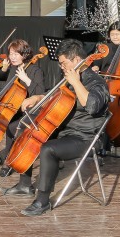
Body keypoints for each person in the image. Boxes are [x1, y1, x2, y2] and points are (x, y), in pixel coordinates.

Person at [16, 39, 110, 217]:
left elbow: (92, 106)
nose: (61, 67)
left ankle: (42, 201)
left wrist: (76, 82)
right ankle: (24, 184)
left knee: (48, 149)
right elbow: (55, 94)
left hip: (87, 137)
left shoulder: (97, 82)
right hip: (66, 130)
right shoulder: (69, 77)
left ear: (76, 60)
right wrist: (36, 98)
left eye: (63, 63)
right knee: (24, 128)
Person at [0, 39, 46, 176]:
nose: (12, 57)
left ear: (25, 54)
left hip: (27, 111)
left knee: (10, 127)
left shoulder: (35, 70)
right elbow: (6, 88)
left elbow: (39, 93)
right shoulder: (14, 69)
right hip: (13, 107)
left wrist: (26, 78)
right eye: (11, 54)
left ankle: (8, 162)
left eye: (16, 54)